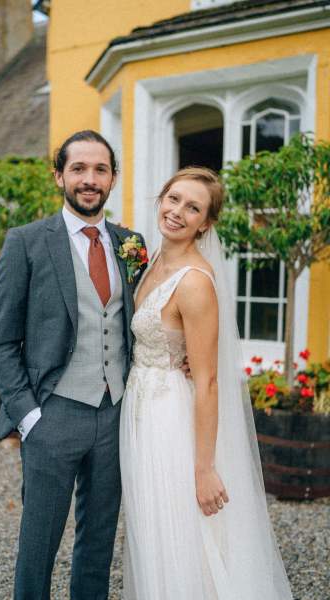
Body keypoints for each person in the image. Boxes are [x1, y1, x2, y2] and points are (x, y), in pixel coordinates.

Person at [0, 130, 147, 600]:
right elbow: (1, 342)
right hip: (53, 414)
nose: (89, 179)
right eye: (78, 168)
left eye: (100, 169)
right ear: (59, 175)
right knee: (38, 546)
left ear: (113, 178)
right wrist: (30, 416)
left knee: (98, 544)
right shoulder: (27, 243)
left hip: (115, 414)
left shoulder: (130, 244)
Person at [120, 167, 294, 599]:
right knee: (152, 525)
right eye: (173, 198)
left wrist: (203, 469)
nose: (177, 212)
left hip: (170, 420)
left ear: (206, 223)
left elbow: (209, 381)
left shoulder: (195, 283)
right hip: (140, 408)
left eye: (192, 207)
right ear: (161, 198)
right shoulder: (154, 260)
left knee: (182, 531)